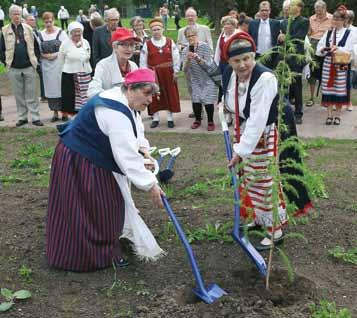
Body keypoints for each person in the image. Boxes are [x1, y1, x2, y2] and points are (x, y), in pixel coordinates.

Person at [46, 68, 165, 272]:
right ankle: (96, 256)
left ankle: (103, 247)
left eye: (152, 94)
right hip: (81, 159)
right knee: (103, 205)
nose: (150, 100)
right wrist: (150, 185)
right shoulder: (114, 111)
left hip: (89, 156)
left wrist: (144, 150)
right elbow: (126, 156)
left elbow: (135, 128)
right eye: (146, 93)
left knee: (100, 205)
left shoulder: (126, 101)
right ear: (130, 88)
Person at [221, 32, 287, 250]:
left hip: (265, 131)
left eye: (247, 59)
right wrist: (225, 112)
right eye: (237, 61)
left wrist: (241, 150)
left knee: (264, 178)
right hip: (245, 130)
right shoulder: (232, 75)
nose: (242, 65)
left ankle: (275, 229)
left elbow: (258, 118)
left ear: (254, 56)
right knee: (249, 177)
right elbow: (231, 101)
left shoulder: (265, 78)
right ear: (229, 61)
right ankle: (259, 219)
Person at [0, 5, 43, 127]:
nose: (16, 16)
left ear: (21, 15)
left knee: (32, 93)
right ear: (10, 15)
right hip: (13, 68)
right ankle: (22, 117)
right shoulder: (4, 30)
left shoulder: (28, 28)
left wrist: (35, 60)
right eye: (14, 13)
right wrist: (7, 62)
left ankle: (35, 117)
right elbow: (1, 50)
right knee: (18, 94)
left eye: (18, 13)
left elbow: (36, 46)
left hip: (29, 66)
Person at [140, 18, 181, 128]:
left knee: (168, 94)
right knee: (154, 94)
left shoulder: (169, 41)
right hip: (153, 73)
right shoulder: (147, 44)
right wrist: (145, 75)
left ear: (162, 29)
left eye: (158, 29)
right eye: (154, 29)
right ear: (151, 31)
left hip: (168, 73)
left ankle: (170, 118)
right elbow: (143, 60)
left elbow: (176, 57)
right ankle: (156, 118)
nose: (156, 31)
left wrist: (176, 71)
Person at [316, 9, 354, 126]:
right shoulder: (328, 33)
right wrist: (323, 50)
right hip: (328, 64)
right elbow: (319, 49)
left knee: (339, 90)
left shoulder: (349, 33)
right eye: (335, 19)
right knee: (328, 89)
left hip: (341, 65)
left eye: (339, 19)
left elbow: (350, 50)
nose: (336, 21)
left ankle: (337, 115)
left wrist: (337, 49)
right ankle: (329, 115)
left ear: (344, 20)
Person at [279, 0, 309, 125]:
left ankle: (298, 113)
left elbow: (299, 37)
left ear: (299, 8)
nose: (290, 8)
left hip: (296, 58)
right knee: (284, 86)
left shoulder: (304, 21)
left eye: (293, 5)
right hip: (284, 58)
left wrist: (285, 37)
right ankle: (285, 111)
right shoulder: (284, 22)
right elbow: (280, 39)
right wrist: (280, 38)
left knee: (296, 87)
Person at [182, 26, 217, 131]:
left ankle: (210, 121)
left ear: (197, 35)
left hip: (207, 78)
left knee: (208, 100)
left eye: (193, 35)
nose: (191, 38)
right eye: (188, 36)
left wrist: (197, 58)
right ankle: (197, 120)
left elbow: (209, 66)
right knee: (196, 99)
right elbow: (184, 69)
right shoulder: (185, 50)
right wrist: (188, 60)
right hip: (195, 78)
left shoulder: (205, 47)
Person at [88, 28, 139, 97]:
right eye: (124, 44)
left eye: (132, 45)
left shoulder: (134, 66)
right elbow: (93, 89)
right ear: (114, 47)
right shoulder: (103, 65)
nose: (129, 49)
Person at [58, 21, 91, 119]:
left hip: (84, 73)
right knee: (70, 96)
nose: (77, 34)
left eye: (79, 31)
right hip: (69, 74)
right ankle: (72, 117)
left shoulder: (85, 42)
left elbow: (88, 55)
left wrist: (82, 52)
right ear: (70, 32)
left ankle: (85, 115)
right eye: (75, 32)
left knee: (85, 96)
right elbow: (61, 59)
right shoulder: (65, 44)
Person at [38, 12, 68, 122]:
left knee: (61, 88)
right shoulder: (40, 34)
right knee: (51, 89)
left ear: (53, 20)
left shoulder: (60, 33)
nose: (48, 24)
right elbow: (37, 50)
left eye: (50, 21)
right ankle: (55, 113)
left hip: (59, 64)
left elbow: (66, 47)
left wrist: (54, 54)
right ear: (43, 22)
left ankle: (64, 112)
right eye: (46, 22)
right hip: (46, 66)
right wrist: (45, 56)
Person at [306, 0, 332, 107]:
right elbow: (308, 33)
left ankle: (325, 99)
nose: (318, 13)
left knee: (325, 72)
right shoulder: (311, 18)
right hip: (313, 44)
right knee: (312, 72)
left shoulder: (331, 18)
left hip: (326, 45)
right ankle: (311, 97)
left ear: (325, 9)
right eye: (317, 10)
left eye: (320, 10)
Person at [248, 1, 281, 69]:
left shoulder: (276, 24)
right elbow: (249, 39)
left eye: (266, 10)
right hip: (257, 56)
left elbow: (279, 40)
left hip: (271, 56)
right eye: (262, 10)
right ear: (259, 11)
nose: (264, 12)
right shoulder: (252, 24)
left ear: (270, 11)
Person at [25, 14, 46, 102]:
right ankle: (31, 98)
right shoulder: (25, 32)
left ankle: (44, 96)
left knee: (42, 76)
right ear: (26, 21)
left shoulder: (36, 31)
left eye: (33, 20)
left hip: (39, 58)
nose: (33, 21)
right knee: (30, 78)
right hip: (30, 59)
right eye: (30, 20)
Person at [345, 9, 357, 112]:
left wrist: (354, 60)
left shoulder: (355, 30)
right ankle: (338, 102)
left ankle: (348, 102)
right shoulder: (338, 29)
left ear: (350, 19)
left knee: (348, 82)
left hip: (351, 60)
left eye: (346, 17)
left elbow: (355, 47)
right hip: (339, 59)